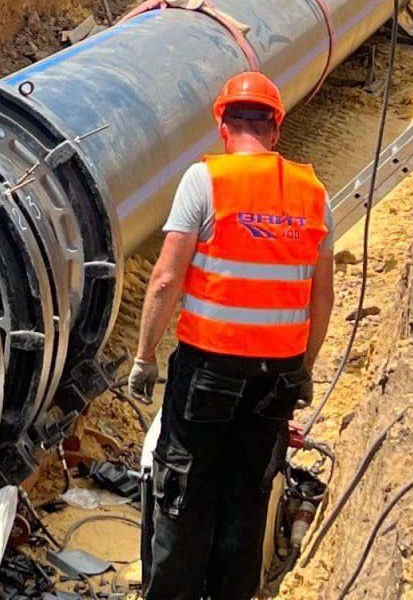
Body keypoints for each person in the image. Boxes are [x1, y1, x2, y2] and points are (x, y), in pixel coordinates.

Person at [128, 71, 335, 600]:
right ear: (276, 129)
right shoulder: (314, 193)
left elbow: (166, 278)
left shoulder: (206, 181)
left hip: (208, 371)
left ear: (222, 124)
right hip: (277, 378)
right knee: (245, 495)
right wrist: (304, 369)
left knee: (184, 488)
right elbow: (322, 297)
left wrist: (145, 355)